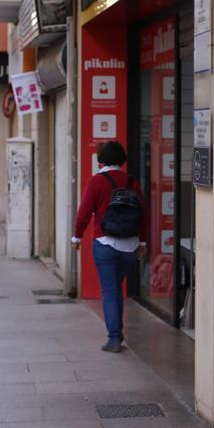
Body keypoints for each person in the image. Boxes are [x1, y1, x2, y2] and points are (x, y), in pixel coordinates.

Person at [71, 141, 147, 353]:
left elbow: (83, 213)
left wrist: (77, 237)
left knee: (110, 290)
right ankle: (117, 332)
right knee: (115, 289)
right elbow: (143, 216)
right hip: (130, 246)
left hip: (105, 243)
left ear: (101, 159)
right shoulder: (132, 182)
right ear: (122, 159)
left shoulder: (97, 182)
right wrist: (142, 243)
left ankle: (114, 337)